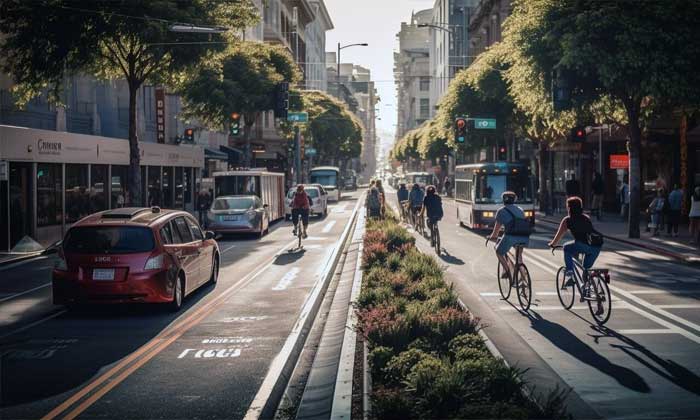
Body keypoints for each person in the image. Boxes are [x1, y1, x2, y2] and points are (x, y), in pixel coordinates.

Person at [548, 197, 603, 311]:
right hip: (596, 248)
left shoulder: (567, 220)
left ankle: (569, 273)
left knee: (566, 247)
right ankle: (596, 300)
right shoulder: (586, 218)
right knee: (586, 271)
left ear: (569, 207)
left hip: (583, 246)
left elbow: (559, 236)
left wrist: (552, 244)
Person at [488, 191, 531, 281]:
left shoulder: (501, 211)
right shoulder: (520, 209)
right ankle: (523, 279)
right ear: (514, 200)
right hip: (525, 236)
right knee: (519, 256)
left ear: (503, 200)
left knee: (499, 251)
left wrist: (491, 237)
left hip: (511, 236)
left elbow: (496, 232)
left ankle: (507, 271)